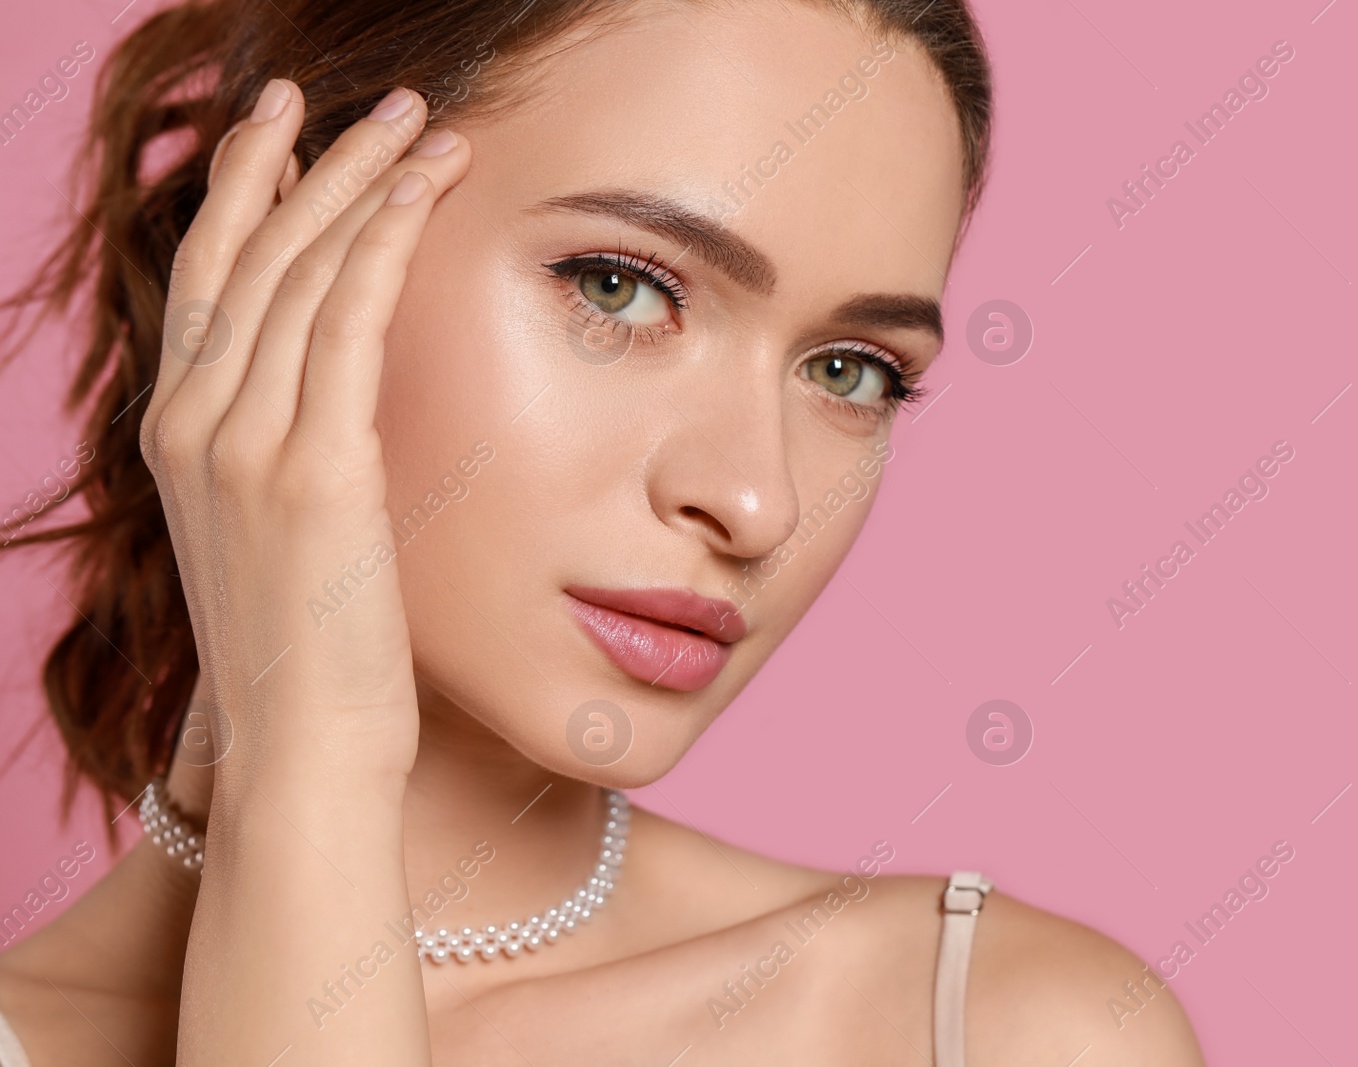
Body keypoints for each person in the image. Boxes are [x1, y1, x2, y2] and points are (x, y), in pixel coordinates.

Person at [0, 0, 1205, 1062]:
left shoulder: (997, 1026)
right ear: (281, 250)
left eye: (849, 371)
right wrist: (310, 757)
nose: (754, 501)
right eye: (620, 286)